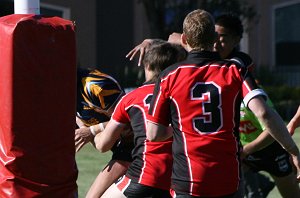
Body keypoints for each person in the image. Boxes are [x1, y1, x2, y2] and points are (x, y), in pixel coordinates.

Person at [146, 9, 300, 198]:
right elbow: (264, 113)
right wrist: (293, 150)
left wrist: (181, 129)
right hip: (227, 177)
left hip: (188, 178)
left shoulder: (169, 75)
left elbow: (154, 134)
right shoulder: (235, 70)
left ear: (185, 40)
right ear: (214, 39)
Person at [214, 13, 300, 198]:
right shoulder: (215, 75)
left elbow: (271, 128)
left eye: (223, 38)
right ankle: (259, 185)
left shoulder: (244, 80)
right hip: (243, 155)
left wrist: (246, 150)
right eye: (214, 37)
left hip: (268, 150)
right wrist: (151, 41)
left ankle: (263, 184)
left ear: (236, 39)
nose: (216, 43)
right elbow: (181, 39)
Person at [93, 42, 186, 198]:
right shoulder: (185, 95)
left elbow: (103, 145)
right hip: (180, 177)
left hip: (145, 175)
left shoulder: (132, 98)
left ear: (147, 65)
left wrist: (94, 133)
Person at [75, 68, 134, 197]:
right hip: (121, 150)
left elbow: (129, 121)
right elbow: (100, 144)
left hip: (136, 149)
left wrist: (92, 130)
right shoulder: (59, 91)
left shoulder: (94, 86)